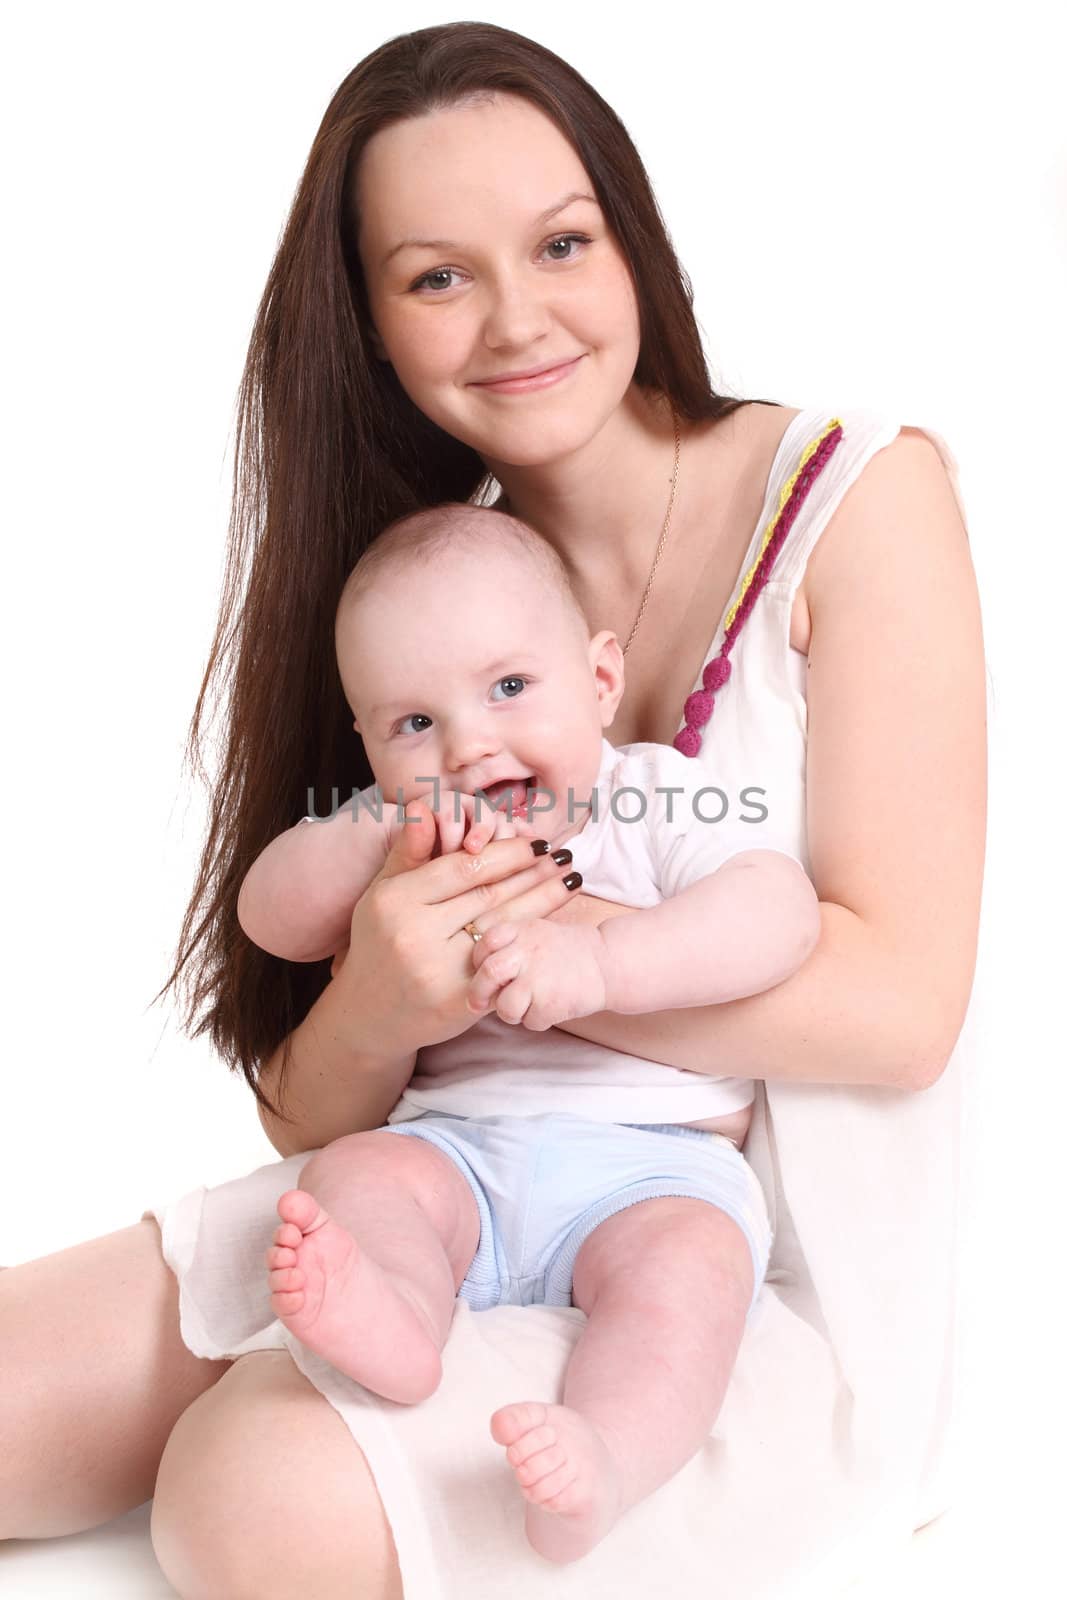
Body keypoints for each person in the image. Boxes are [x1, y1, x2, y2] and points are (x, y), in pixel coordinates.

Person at [0, 20, 985, 1600]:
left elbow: (896, 1011)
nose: (514, 317)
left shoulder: (854, 503)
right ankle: (375, 1332)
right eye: (436, 274)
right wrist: (385, 997)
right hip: (451, 1180)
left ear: (633, 247)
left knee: (243, 1498)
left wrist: (562, 956)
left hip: (733, 1265)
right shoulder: (424, 587)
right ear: (369, 323)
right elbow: (314, 1101)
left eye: (559, 243)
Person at [235, 502, 821, 1562]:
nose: (469, 744)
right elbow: (267, 914)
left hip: (651, 1173)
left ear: (598, 681)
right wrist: (375, 826)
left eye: (509, 688)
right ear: (366, 743)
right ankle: (399, 1322)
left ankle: (602, 1457)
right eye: (413, 722)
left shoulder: (651, 796)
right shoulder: (397, 829)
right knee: (359, 1175)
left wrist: (601, 963)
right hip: (455, 1151)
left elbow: (775, 912)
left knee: (685, 1283)